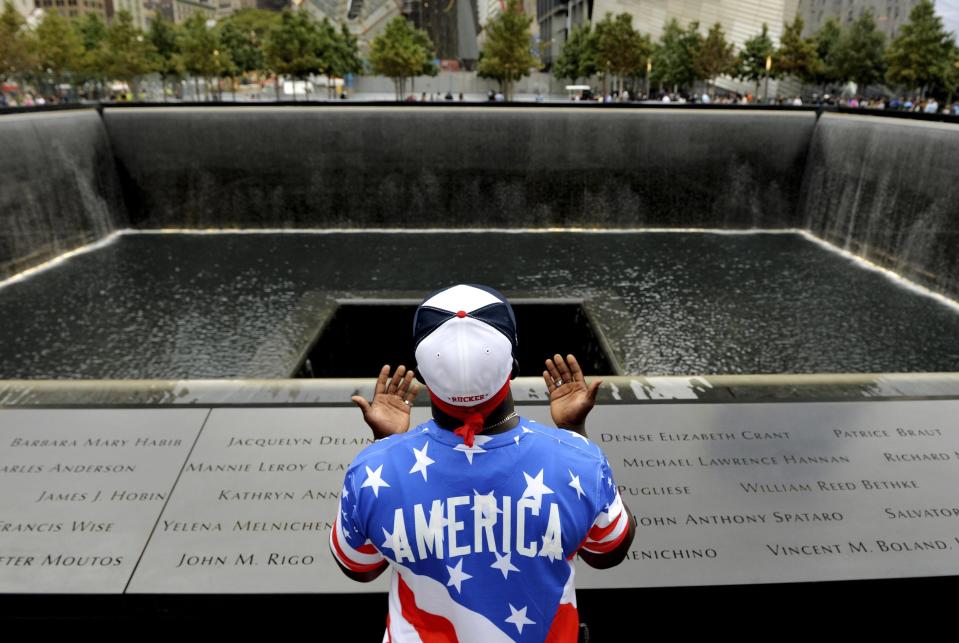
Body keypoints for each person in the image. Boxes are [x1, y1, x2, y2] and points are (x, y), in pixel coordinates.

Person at [331, 284, 635, 642]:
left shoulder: (372, 470)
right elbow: (607, 551)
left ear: (424, 373)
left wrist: (384, 447)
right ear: (513, 365)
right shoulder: (578, 460)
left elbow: (360, 567)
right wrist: (573, 433)